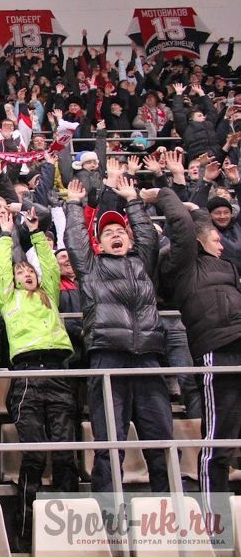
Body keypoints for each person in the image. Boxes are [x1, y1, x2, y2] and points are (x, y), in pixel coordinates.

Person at [64, 177, 172, 493]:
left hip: (148, 357)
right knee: (110, 444)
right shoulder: (91, 268)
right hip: (108, 356)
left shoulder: (143, 263)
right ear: (98, 243)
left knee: (161, 442)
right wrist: (74, 205)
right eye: (107, 232)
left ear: (129, 238)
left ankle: (169, 508)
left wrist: (133, 200)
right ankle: (109, 512)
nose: (115, 234)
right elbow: (76, 240)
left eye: (120, 231)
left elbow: (149, 238)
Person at [0, 208, 77, 549]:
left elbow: (51, 266)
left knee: (65, 454)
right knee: (34, 455)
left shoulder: (49, 294)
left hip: (57, 371)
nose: (26, 274)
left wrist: (36, 233)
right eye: (21, 272)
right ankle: (27, 535)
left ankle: (71, 537)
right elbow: (1, 271)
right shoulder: (8, 298)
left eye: (30, 271)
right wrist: (5, 235)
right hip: (26, 375)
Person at [156, 186, 241, 514]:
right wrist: (165, 192)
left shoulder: (228, 268)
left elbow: (200, 225)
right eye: (216, 239)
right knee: (218, 441)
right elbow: (182, 224)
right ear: (200, 241)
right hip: (216, 350)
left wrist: (199, 211)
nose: (222, 244)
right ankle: (216, 523)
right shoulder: (184, 265)